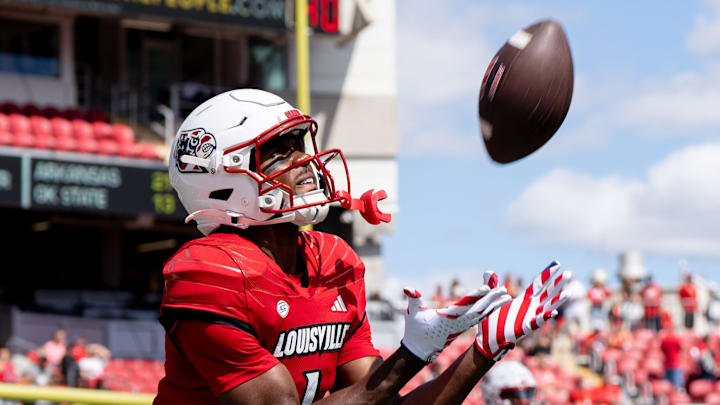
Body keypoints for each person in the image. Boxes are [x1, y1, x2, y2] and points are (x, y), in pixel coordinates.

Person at [153, 89, 572, 405]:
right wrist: (413, 353)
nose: (304, 162)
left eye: (299, 144)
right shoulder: (207, 274)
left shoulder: (333, 261)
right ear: (222, 183)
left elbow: (380, 401)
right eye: (277, 154)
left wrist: (483, 349)